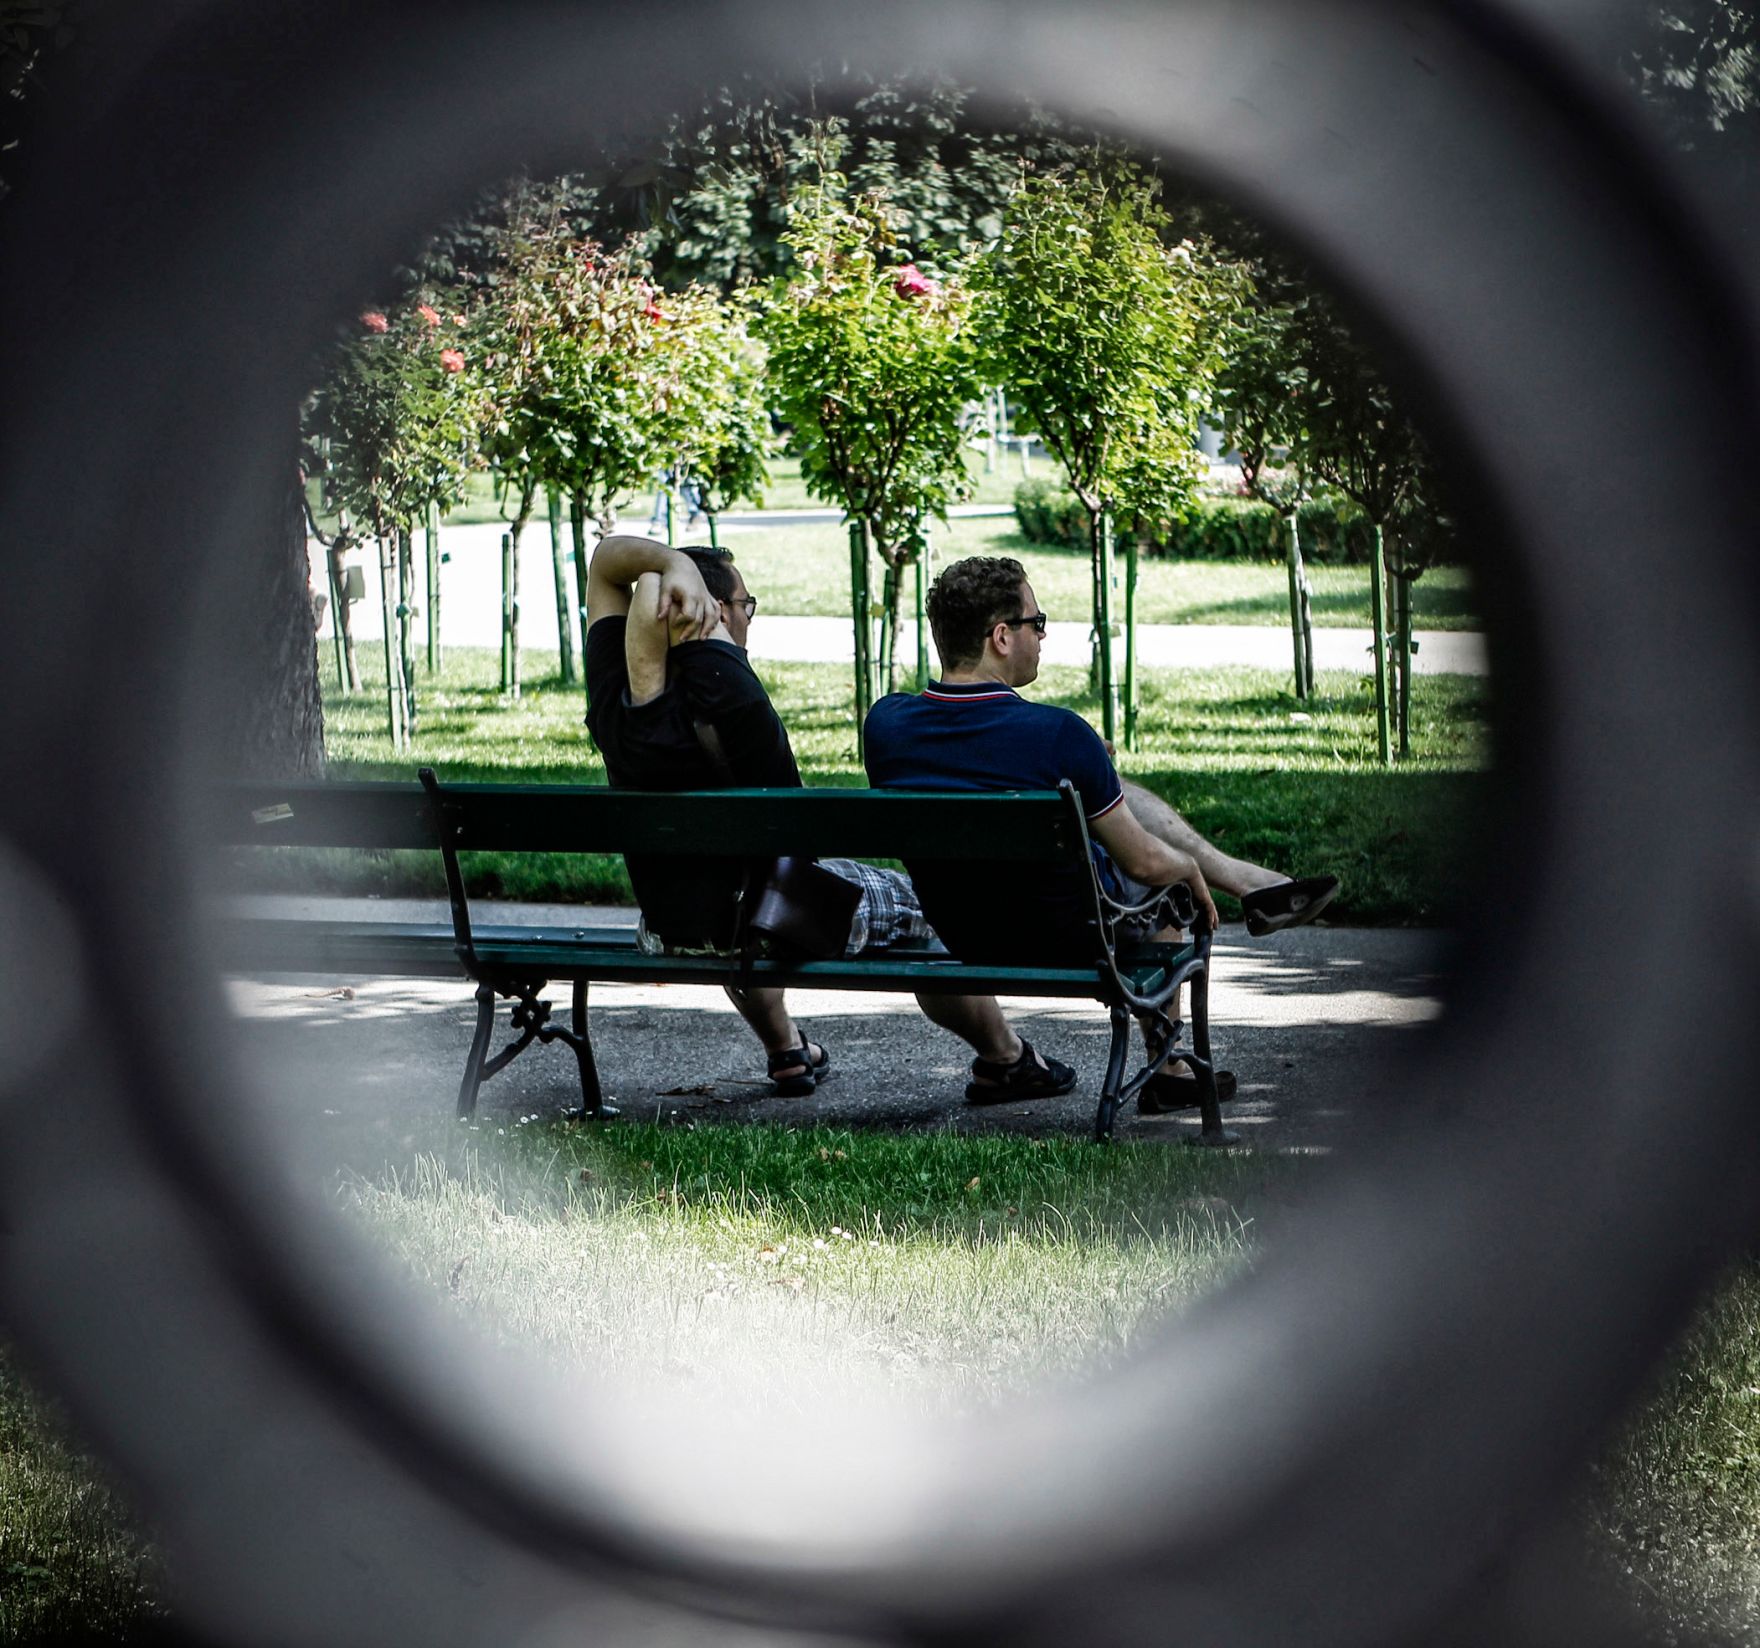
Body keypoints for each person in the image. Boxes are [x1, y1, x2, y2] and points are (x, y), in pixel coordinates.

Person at [583, 534, 1072, 1103]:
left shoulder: (614, 698)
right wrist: (690, 591)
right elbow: (793, 844)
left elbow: (605, 565)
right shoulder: (740, 706)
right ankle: (1006, 1058)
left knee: (734, 890)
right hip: (762, 925)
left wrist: (668, 565)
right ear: (714, 610)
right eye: (745, 606)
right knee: (932, 904)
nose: (748, 619)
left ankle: (786, 1049)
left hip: (668, 927)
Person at [863, 554, 1339, 1112]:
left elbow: (970, 756)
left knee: (1114, 792)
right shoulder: (1060, 734)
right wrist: (1187, 870)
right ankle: (1171, 1066)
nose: (1042, 635)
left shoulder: (887, 724)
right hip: (1070, 934)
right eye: (1035, 623)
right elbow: (1143, 865)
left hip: (964, 931)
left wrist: (1089, 767)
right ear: (1001, 637)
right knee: (1165, 886)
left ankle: (1254, 882)